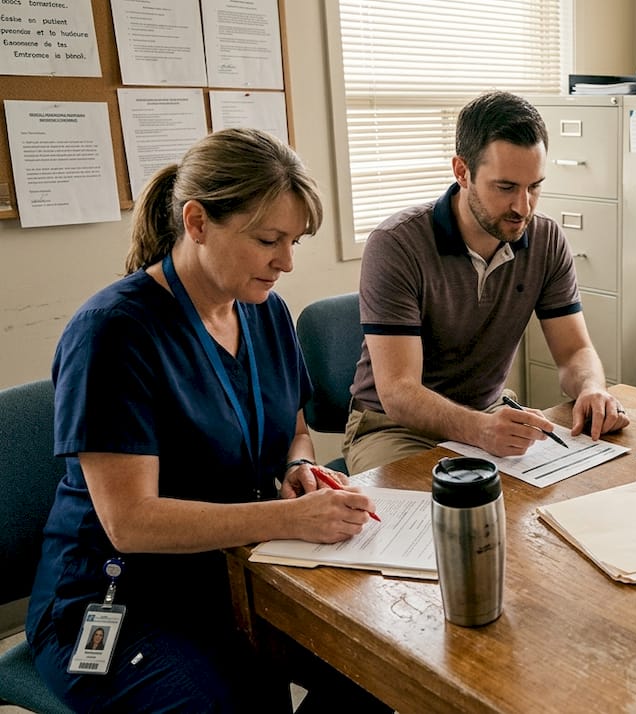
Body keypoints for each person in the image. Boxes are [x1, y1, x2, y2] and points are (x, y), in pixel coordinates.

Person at [26, 128, 387, 712]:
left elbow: (294, 426)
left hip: (233, 575)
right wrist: (286, 517)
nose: (287, 262)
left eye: (295, 241)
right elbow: (132, 523)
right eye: (269, 240)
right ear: (196, 222)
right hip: (120, 597)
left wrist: (299, 465)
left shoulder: (264, 311)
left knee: (375, 672)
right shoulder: (114, 333)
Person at [344, 90, 628, 473]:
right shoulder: (396, 244)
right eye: (506, 187)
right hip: (393, 426)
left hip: (488, 414)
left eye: (535, 186)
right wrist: (480, 429)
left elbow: (574, 351)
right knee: (435, 517)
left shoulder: (546, 240)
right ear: (462, 172)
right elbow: (398, 393)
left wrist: (592, 387)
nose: (523, 207)